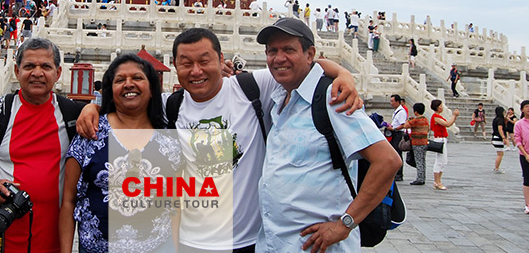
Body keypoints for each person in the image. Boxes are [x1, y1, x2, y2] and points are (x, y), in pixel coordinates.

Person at [77, 27, 363, 252]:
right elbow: (131, 98)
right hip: (190, 242)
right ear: (174, 65)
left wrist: (343, 74)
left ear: (221, 59)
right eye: (186, 63)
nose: (196, 71)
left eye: (205, 61)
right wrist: (94, 106)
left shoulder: (251, 88)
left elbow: (300, 64)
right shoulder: (171, 105)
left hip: (250, 240)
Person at [254, 18, 399, 252]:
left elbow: (388, 161)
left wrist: (345, 224)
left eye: (289, 49)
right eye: (272, 51)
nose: (279, 58)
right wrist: (342, 70)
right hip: (275, 243)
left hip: (319, 246)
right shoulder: (279, 97)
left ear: (310, 54)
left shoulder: (333, 98)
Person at [0, 38, 85, 253]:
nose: (37, 73)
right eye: (29, 66)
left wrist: (92, 109)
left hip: (51, 245)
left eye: (46, 66)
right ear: (17, 72)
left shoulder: (71, 115)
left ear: (58, 73)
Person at [60, 54, 181, 253]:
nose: (129, 84)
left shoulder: (168, 141)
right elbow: (68, 201)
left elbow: (175, 205)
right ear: (111, 90)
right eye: (120, 80)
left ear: (152, 89)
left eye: (137, 78)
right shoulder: (90, 133)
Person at [429, 99, 459, 190]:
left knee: (443, 161)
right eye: (440, 106)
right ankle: (437, 181)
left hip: (442, 138)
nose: (442, 107)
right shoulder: (435, 117)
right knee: (440, 161)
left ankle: (438, 180)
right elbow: (447, 124)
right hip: (439, 139)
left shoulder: (438, 116)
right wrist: (454, 116)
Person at [402, 102, 430, 185]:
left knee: (418, 161)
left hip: (417, 142)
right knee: (422, 160)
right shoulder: (425, 119)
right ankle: (422, 177)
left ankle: (420, 178)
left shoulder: (415, 120)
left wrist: (408, 119)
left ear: (415, 112)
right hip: (424, 142)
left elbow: (405, 125)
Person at [388, 94, 408, 182]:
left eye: (392, 101)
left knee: (397, 153)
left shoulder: (401, 112)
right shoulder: (396, 111)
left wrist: (394, 128)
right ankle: (396, 172)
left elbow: (403, 125)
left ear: (398, 102)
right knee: (394, 152)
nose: (391, 103)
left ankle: (399, 174)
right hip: (394, 133)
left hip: (398, 134)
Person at [491, 106, 507, 173]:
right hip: (498, 138)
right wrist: (503, 137)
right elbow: (500, 129)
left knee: (500, 153)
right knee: (500, 154)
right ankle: (496, 168)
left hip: (495, 137)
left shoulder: (495, 119)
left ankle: (497, 167)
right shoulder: (500, 120)